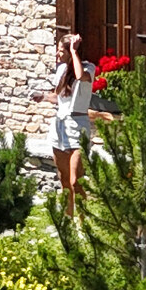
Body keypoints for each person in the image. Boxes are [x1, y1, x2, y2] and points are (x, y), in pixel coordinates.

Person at [50, 30, 93, 213]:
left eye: (62, 51)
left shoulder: (89, 68)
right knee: (64, 179)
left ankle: (83, 222)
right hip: (60, 126)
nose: (57, 54)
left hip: (77, 125)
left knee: (76, 180)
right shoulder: (61, 70)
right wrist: (42, 97)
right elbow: (58, 96)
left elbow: (79, 76)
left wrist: (74, 52)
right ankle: (68, 218)